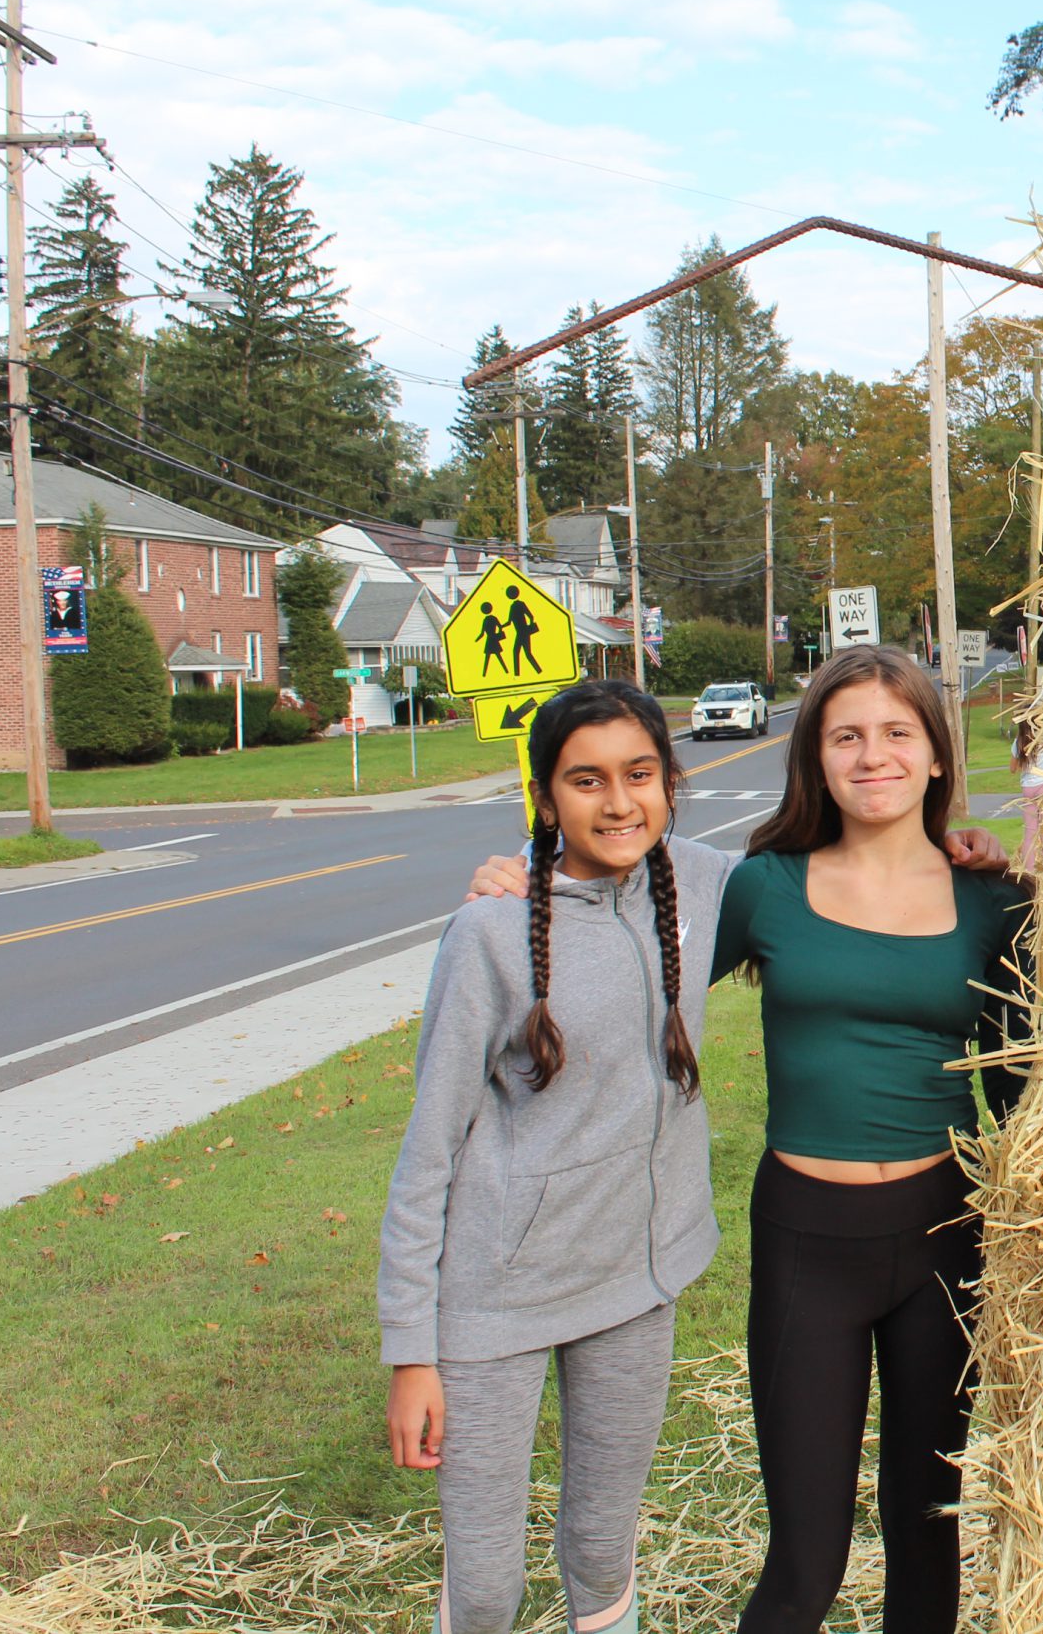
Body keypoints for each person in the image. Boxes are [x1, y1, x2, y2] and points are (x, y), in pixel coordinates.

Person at [379, 679, 736, 1634]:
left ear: (670, 783)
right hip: (494, 1300)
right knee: (488, 1580)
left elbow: (840, 885)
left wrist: (968, 853)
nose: (618, 802)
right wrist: (411, 1351)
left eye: (640, 775)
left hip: (635, 1278)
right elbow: (426, 1154)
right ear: (544, 798)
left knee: (601, 1544)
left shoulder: (701, 884)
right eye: (586, 780)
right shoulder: (487, 934)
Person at [714, 645, 1030, 1634]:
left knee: (924, 1529)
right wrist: (524, 889)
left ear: (937, 756)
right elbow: (641, 983)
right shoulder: (763, 887)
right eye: (846, 736)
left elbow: (1022, 1080)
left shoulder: (990, 900)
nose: (873, 755)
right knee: (806, 1561)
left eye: (898, 734)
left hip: (940, 1234)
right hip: (807, 1236)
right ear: (816, 756)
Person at [1011, 707, 1043, 871]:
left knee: (1030, 832)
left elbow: (1012, 768)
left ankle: (1029, 869)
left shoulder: (1018, 743)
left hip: (1028, 787)